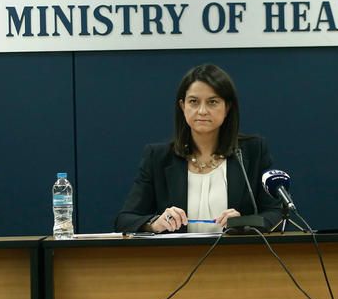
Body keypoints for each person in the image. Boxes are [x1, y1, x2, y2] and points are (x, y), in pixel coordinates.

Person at [115, 64, 282, 233]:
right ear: (183, 106)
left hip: (235, 251)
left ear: (227, 107)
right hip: (178, 251)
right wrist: (154, 223)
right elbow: (125, 219)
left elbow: (278, 214)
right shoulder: (158, 157)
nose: (202, 111)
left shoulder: (253, 151)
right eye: (193, 102)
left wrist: (245, 223)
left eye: (212, 102)